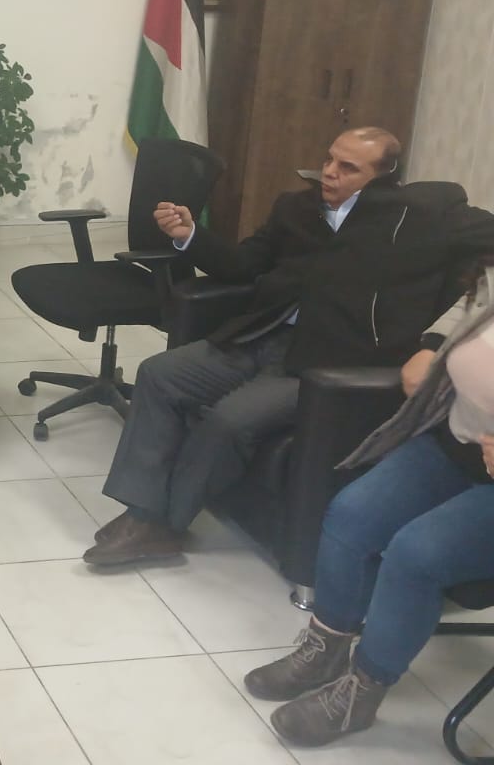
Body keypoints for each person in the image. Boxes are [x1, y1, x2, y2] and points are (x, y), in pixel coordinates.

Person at [84, 126, 494, 568]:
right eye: (330, 159)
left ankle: (163, 525)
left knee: (229, 421)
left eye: (348, 168)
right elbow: (242, 265)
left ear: (383, 178)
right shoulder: (297, 208)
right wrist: (190, 235)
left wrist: (435, 340)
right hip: (264, 335)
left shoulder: (416, 218)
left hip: (329, 359)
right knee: (159, 373)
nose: (329, 172)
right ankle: (144, 514)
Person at [242, 265, 494, 747]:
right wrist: (431, 346)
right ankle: (325, 650)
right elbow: (472, 306)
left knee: (416, 554)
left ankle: (362, 691)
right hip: (457, 445)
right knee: (351, 515)